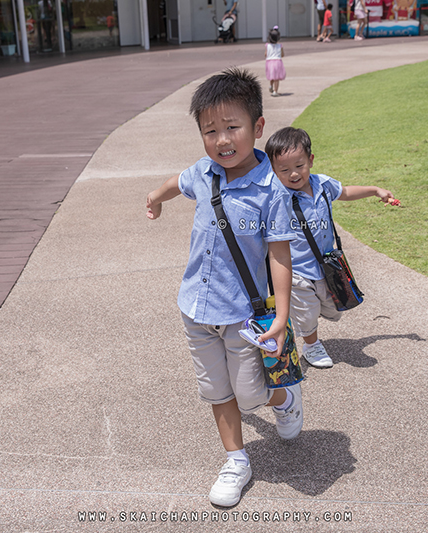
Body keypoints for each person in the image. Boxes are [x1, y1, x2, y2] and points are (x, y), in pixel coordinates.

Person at [145, 68, 302, 508]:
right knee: (217, 390)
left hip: (243, 314)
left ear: (258, 126)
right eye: (210, 130)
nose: (222, 139)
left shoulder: (271, 190)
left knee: (249, 394)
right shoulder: (204, 172)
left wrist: (283, 315)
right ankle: (236, 460)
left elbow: (280, 256)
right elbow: (176, 183)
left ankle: (284, 397)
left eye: (232, 127)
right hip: (196, 307)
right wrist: (154, 198)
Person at [265, 127, 393, 368]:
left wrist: (375, 190)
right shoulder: (277, 196)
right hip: (296, 270)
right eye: (284, 170)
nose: (294, 174)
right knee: (308, 311)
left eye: (299, 165)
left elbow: (345, 192)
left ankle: (297, 317)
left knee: (333, 309)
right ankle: (311, 345)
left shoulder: (323, 185)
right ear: (273, 170)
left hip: (325, 265)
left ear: (311, 160)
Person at [264, 26, 285, 97]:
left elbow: (266, 54)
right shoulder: (280, 45)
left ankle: (270, 85)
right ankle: (275, 91)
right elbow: (282, 55)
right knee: (277, 78)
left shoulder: (267, 45)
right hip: (277, 62)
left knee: (272, 75)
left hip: (269, 62)